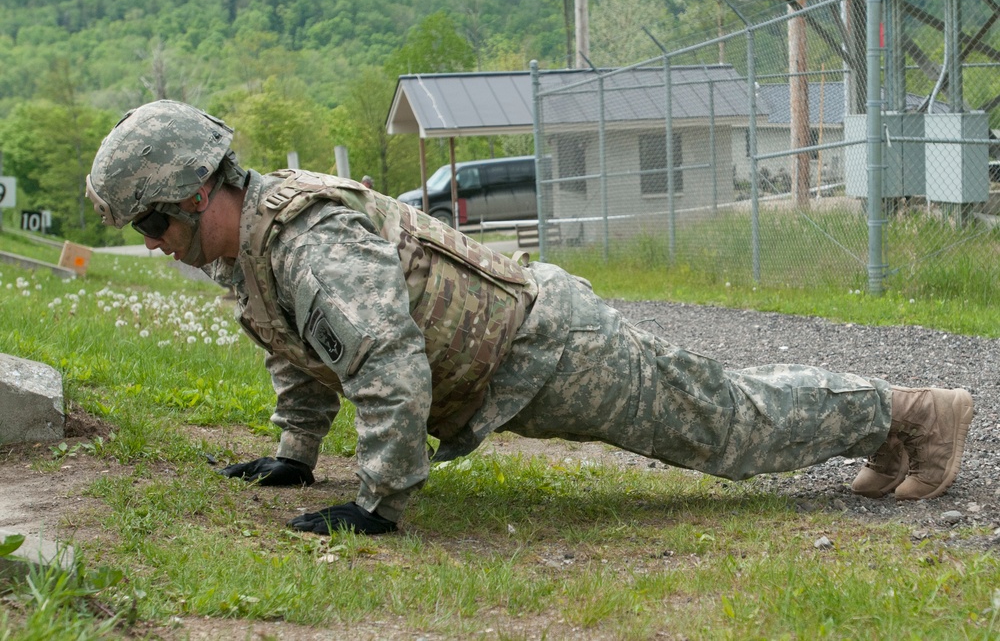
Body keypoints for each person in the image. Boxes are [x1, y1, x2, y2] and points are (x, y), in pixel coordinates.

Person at [86, 100, 976, 536]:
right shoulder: (247, 255)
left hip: (548, 346)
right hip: (509, 360)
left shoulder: (307, 239)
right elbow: (302, 349)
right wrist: (294, 455)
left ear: (198, 192)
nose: (153, 241)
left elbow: (386, 362)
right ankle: (888, 431)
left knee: (723, 427)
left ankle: (913, 414)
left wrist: (379, 505)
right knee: (721, 418)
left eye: (153, 222)